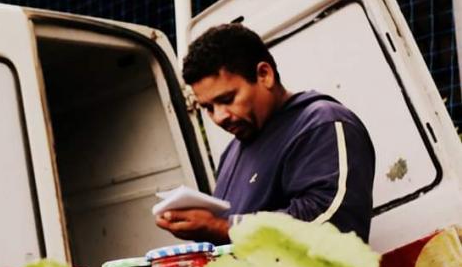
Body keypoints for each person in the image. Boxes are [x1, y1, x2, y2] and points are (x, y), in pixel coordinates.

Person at [156, 23, 375, 244]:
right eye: (208, 108)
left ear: (264, 75)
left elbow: (330, 223)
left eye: (227, 99)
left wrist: (218, 227)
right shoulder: (233, 152)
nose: (219, 116)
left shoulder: (321, 123)